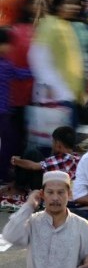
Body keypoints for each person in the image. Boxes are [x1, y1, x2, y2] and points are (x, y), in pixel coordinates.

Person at [2, 171, 88, 268]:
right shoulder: (33, 222)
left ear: (69, 194)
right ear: (42, 194)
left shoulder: (82, 226)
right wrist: (29, 205)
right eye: (50, 192)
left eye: (60, 192)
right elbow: (10, 235)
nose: (55, 198)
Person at [0, 27, 32, 184]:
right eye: (7, 44)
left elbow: (19, 74)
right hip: (3, 111)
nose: (10, 47)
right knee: (9, 142)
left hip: (5, 109)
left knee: (9, 142)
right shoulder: (5, 64)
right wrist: (36, 71)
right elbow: (20, 74)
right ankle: (4, 174)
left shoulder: (6, 62)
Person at [11, 126, 80, 190]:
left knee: (32, 153)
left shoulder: (60, 159)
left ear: (58, 144)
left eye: (53, 142)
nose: (52, 145)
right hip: (66, 188)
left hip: (51, 188)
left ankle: (18, 188)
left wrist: (16, 161)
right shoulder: (76, 158)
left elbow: (33, 166)